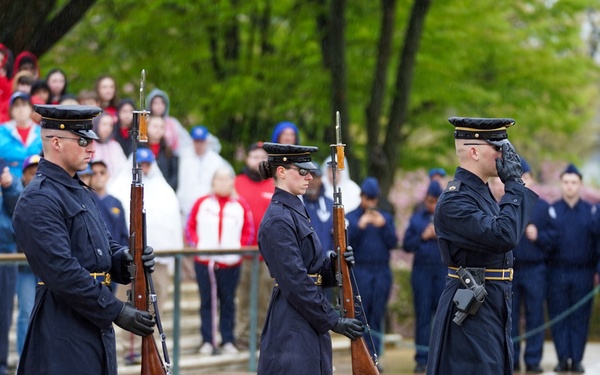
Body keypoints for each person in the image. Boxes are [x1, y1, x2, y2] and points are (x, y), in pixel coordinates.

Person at [12, 104, 157, 375]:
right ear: (55, 142)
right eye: (82, 140)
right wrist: (116, 311)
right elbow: (62, 272)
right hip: (62, 329)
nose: (91, 148)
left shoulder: (79, 190)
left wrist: (126, 259)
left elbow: (103, 245)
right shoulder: (39, 199)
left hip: (94, 324)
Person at [426, 117, 538, 375]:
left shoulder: (480, 194)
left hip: (490, 304)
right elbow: (504, 235)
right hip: (470, 310)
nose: (505, 155)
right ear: (474, 151)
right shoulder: (455, 201)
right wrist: (514, 185)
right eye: (498, 147)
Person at [256, 142, 364, 375]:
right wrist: (332, 319)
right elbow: (295, 281)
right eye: (302, 171)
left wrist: (336, 264)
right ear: (282, 172)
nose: (310, 177)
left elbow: (312, 271)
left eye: (311, 171)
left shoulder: (295, 210)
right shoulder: (278, 219)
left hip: (307, 314)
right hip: (291, 321)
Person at [109, 147, 183, 365]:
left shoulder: (165, 191)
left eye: (148, 163)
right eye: (140, 163)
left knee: (155, 303)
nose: (145, 167)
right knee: (126, 302)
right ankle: (126, 348)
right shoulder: (118, 187)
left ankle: (149, 348)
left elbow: (174, 227)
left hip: (158, 260)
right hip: (128, 259)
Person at [186, 166, 254, 355]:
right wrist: (197, 244)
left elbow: (249, 231)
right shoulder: (202, 203)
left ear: (232, 182)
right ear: (213, 182)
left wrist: (238, 249)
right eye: (219, 179)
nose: (223, 183)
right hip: (204, 262)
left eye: (227, 179)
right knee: (207, 301)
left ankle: (227, 339)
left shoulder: (240, 204)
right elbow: (190, 227)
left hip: (231, 263)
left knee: (228, 302)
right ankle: (208, 339)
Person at [546, 164, 600, 373]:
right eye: (566, 182)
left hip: (583, 273)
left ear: (580, 184)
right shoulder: (553, 210)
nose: (570, 186)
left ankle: (576, 359)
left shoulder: (591, 211)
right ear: (561, 184)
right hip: (557, 273)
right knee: (558, 316)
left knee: (580, 318)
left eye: (574, 182)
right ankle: (562, 359)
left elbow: (597, 243)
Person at [510, 159, 557, 373]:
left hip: (535, 270)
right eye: (519, 177)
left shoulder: (544, 206)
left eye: (526, 177)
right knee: (509, 318)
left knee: (535, 315)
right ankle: (511, 359)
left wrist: (539, 236)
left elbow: (554, 239)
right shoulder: (507, 203)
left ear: (532, 179)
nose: (523, 181)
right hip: (511, 270)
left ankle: (533, 359)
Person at [346, 176, 398, 366]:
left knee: (377, 313)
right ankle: (361, 357)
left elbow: (393, 243)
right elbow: (346, 245)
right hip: (361, 270)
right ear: (362, 197)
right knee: (361, 315)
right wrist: (359, 226)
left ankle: (375, 357)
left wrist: (384, 226)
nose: (371, 203)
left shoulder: (386, 218)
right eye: (368, 198)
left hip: (381, 270)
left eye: (374, 199)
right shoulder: (351, 217)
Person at [234, 142, 274, 349]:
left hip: (268, 254)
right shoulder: (237, 183)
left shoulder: (274, 184)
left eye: (262, 156)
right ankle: (242, 336)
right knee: (243, 296)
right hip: (242, 253)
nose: (258, 160)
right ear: (247, 159)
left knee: (264, 297)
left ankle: (261, 336)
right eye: (254, 156)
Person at [402, 181, 445, 373]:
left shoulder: (447, 218)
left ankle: (441, 357)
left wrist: (440, 234)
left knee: (443, 317)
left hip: (443, 272)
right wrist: (422, 236)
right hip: (421, 273)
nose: (432, 205)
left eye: (436, 201)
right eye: (429, 201)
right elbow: (406, 244)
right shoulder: (416, 219)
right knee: (423, 315)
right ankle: (421, 358)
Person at [14, 155, 41, 359]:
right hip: (24, 264)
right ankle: (25, 358)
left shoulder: (51, 195)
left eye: (37, 173)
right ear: (23, 176)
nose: (34, 177)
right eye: (31, 173)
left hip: (46, 266)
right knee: (26, 312)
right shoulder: (15, 196)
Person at [177, 125, 233, 223]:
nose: (199, 145)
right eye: (196, 141)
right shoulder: (184, 158)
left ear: (207, 141)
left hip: (209, 209)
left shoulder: (215, 160)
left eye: (201, 141)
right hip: (186, 209)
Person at [0, 155, 22, 375]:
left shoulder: (4, 167)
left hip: (4, 250)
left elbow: (18, 211)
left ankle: (1, 366)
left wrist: (9, 187)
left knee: (3, 314)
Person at [0, 92, 42, 177]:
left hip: (37, 179)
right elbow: (4, 151)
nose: (21, 109)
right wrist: (32, 158)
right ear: (11, 110)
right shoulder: (2, 130)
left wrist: (14, 161)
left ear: (30, 108)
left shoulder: (41, 131)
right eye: (16, 106)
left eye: (24, 105)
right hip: (10, 180)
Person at [140, 115, 178, 192]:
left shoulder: (168, 152)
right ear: (147, 127)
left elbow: (174, 177)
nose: (158, 129)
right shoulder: (139, 148)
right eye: (155, 126)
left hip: (163, 193)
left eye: (161, 127)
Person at [91, 112, 127, 182]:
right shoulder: (90, 145)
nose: (107, 128)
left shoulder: (115, 146)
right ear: (97, 124)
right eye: (104, 124)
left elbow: (124, 168)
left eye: (110, 125)